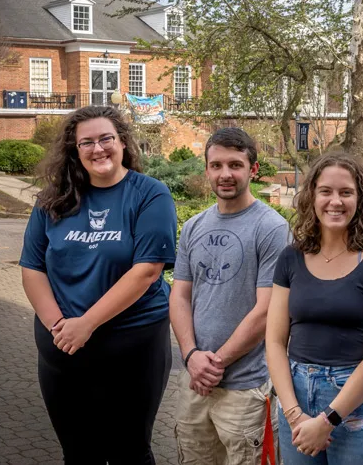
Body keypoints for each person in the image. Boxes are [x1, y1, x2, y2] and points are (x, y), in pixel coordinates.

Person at [19, 105, 177, 464]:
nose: (97, 149)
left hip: (131, 345)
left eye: (106, 138)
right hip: (63, 346)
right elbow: (32, 267)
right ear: (75, 150)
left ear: (122, 142)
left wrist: (86, 324)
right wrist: (59, 327)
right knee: (78, 452)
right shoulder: (53, 199)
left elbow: (147, 270)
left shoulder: (150, 194)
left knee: (129, 451)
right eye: (86, 142)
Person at [170, 127, 290, 464]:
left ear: (253, 169)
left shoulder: (271, 227)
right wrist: (192, 356)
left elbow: (266, 311)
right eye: (217, 165)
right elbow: (180, 296)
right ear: (206, 169)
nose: (225, 174)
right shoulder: (194, 226)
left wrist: (216, 363)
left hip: (246, 389)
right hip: (195, 381)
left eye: (235, 165)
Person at [266, 151, 363, 464]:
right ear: (311, 197)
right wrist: (294, 415)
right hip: (296, 393)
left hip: (353, 401)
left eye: (346, 192)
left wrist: (328, 419)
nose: (336, 201)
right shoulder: (290, 257)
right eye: (326, 191)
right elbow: (275, 342)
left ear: (360, 199)